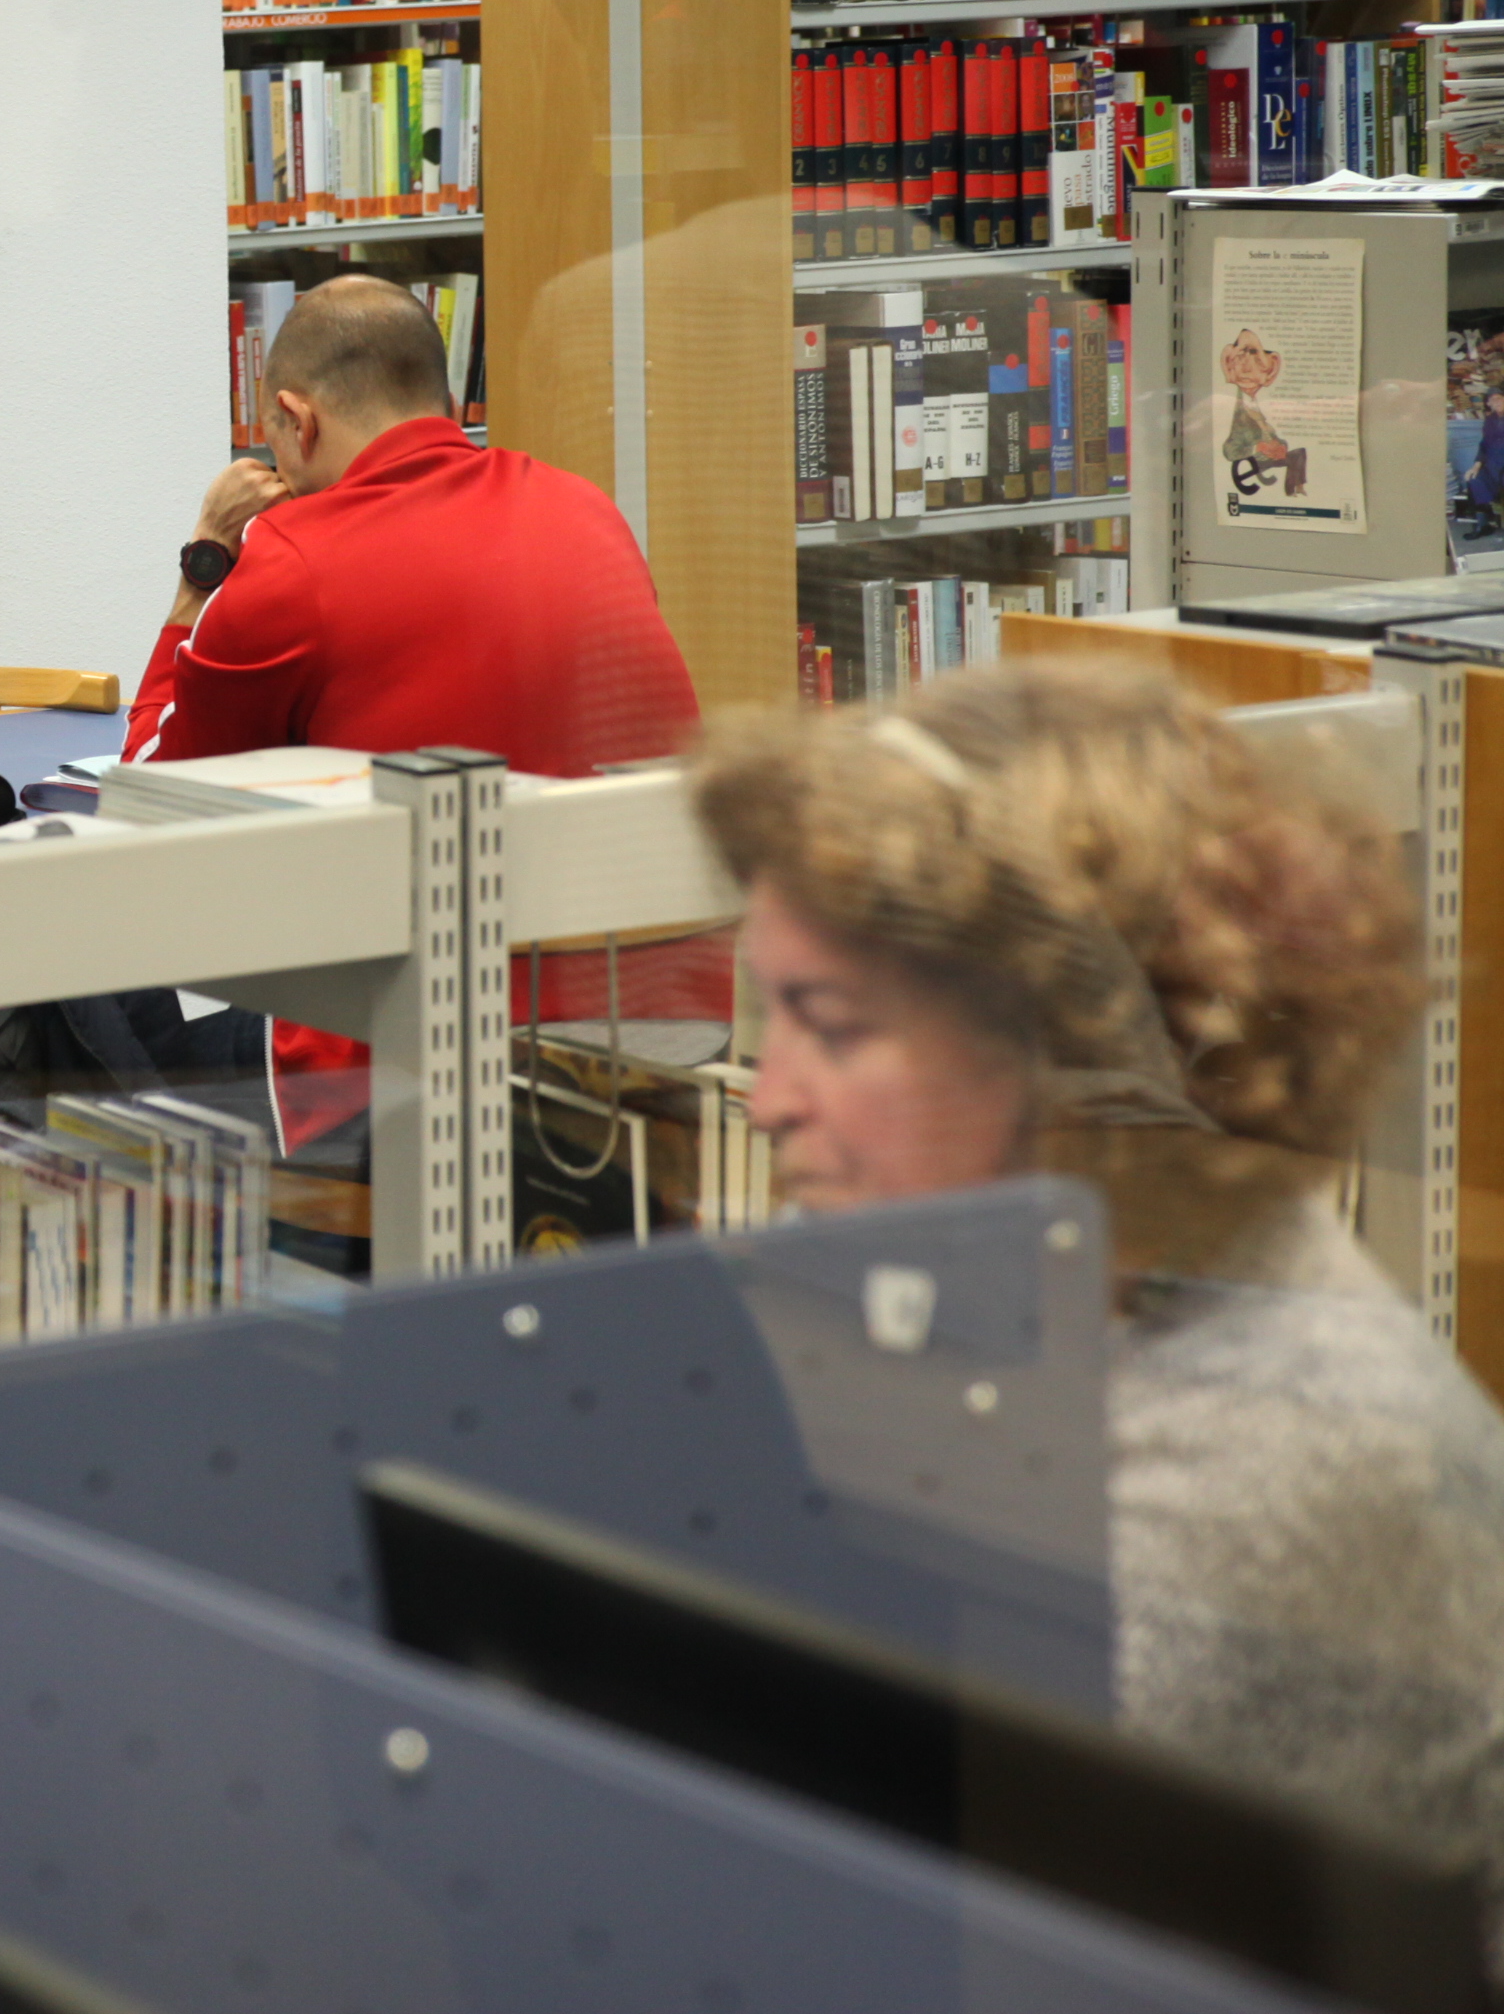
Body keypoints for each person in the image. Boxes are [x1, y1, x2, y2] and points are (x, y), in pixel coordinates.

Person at [691, 662, 1504, 1911]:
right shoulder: (1041, 1312)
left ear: (1079, 1064)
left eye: (834, 1023)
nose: (768, 1094)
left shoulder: (1279, 1450)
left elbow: (936, 1922)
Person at [117, 276, 709, 1133]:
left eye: (273, 438)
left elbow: (147, 800)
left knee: (82, 991)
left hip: (411, 1058)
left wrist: (205, 559)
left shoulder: (290, 560)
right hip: (649, 1027)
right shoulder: (585, 507)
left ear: (299, 419)